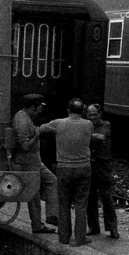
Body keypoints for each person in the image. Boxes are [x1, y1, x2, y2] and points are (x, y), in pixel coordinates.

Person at [39, 98, 93, 246]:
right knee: (81, 205)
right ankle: (81, 238)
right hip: (83, 168)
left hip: (64, 168)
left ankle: (64, 237)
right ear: (83, 112)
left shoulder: (58, 123)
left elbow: (41, 129)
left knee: (64, 204)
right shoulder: (89, 124)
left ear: (68, 111)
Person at [11, 94, 59, 234]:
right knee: (34, 194)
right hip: (27, 162)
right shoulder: (22, 121)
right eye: (39, 108)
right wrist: (37, 134)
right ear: (32, 107)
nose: (40, 111)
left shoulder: (26, 117)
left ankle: (51, 216)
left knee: (52, 181)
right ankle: (37, 225)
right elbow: (24, 146)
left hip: (35, 161)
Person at [86, 104, 119, 239]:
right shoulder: (86, 126)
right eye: (90, 115)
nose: (93, 117)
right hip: (89, 164)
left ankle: (112, 227)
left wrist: (84, 134)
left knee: (106, 196)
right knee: (90, 196)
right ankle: (93, 226)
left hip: (102, 164)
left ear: (100, 114)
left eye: (95, 114)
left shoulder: (106, 125)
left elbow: (101, 136)